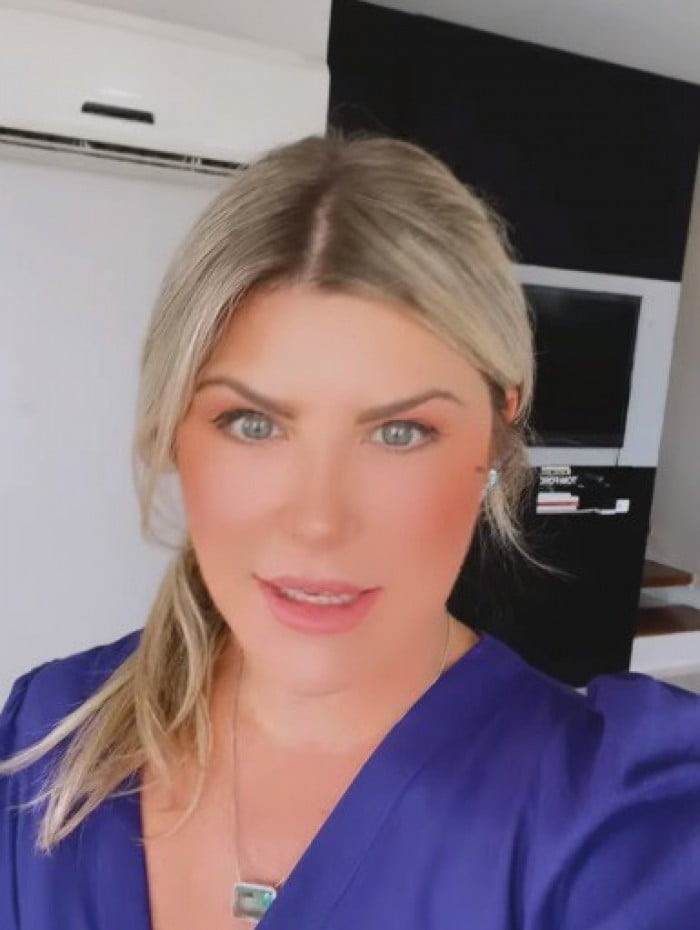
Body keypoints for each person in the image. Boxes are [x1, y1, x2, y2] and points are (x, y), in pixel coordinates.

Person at [1, 132, 699, 930]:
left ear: (496, 434)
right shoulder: (47, 739)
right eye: (253, 423)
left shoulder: (620, 825)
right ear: (172, 431)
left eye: (400, 433)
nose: (319, 523)